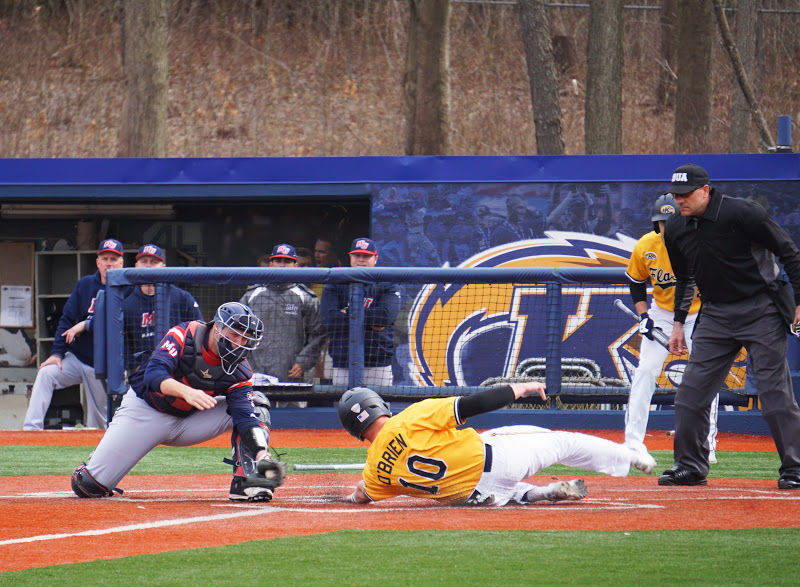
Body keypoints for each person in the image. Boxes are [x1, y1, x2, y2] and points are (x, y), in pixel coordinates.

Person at [659, 163, 800, 489]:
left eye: (686, 194)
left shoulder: (743, 213)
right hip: (716, 314)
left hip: (761, 308)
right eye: (676, 195)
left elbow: (789, 252)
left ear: (705, 190)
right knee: (689, 396)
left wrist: (798, 302)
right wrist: (679, 322)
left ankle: (795, 468)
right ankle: (691, 466)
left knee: (773, 393)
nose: (680, 200)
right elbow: (684, 279)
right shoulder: (678, 227)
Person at [70, 301, 287, 502]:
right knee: (88, 486)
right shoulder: (186, 334)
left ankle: (247, 480)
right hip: (146, 411)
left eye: (244, 339)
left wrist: (262, 455)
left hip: (191, 419)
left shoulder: (240, 368)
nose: (239, 343)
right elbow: (154, 375)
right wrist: (186, 391)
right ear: (218, 328)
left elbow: (245, 417)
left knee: (256, 404)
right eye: (234, 335)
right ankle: (103, 457)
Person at [337, 383, 656, 506]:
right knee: (563, 442)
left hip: (476, 496)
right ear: (379, 405)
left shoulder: (374, 473)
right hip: (496, 459)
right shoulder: (409, 417)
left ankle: (540, 493)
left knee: (500, 484)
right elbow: (473, 404)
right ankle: (627, 456)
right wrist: (519, 388)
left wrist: (348, 495)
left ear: (354, 429)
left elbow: (361, 496)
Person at [624, 194, 720, 463]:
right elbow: (636, 282)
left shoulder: (702, 242)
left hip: (699, 313)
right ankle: (632, 444)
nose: (670, 227)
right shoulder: (647, 245)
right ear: (657, 224)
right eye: (664, 222)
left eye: (674, 221)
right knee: (645, 372)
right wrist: (644, 316)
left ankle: (706, 443)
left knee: (705, 376)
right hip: (662, 314)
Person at [23, 239, 125, 430]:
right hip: (77, 358)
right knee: (46, 373)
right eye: (105, 258)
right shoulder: (85, 284)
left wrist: (85, 324)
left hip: (103, 366)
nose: (109, 263)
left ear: (121, 262)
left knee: (99, 423)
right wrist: (56, 353)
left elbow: (116, 321)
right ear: (98, 262)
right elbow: (66, 319)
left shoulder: (126, 289)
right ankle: (31, 430)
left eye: (113, 259)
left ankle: (96, 453)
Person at [240, 243, 327, 383]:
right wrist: (246, 363)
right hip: (256, 375)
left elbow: (318, 334)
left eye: (287, 261)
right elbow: (237, 333)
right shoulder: (251, 295)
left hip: (293, 375)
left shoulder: (305, 297)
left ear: (295, 265)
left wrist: (303, 362)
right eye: (278, 261)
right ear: (270, 264)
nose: (282, 265)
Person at [321, 238, 401, 387]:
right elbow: (329, 321)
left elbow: (384, 318)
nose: (361, 260)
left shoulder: (387, 283)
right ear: (350, 257)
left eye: (366, 256)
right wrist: (371, 321)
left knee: (378, 408)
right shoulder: (335, 282)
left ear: (375, 258)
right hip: (343, 363)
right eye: (357, 255)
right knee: (346, 408)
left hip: (378, 363)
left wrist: (347, 312)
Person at [121, 244, 203, 376]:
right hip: (143, 372)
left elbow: (199, 333)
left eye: (153, 262)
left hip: (178, 370)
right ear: (136, 266)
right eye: (144, 261)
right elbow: (124, 343)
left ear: (163, 267)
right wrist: (134, 366)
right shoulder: (128, 303)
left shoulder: (182, 298)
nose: (148, 266)